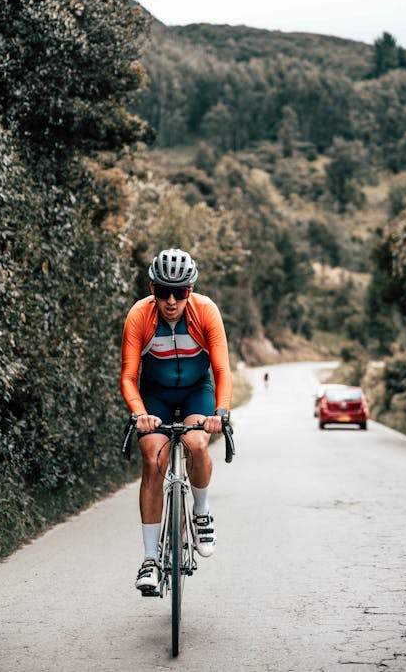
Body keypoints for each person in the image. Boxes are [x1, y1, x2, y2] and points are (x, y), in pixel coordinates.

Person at [120, 248, 232, 594]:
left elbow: (222, 369)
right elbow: (128, 376)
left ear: (191, 289)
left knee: (197, 443)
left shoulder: (206, 312)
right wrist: (139, 414)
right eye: (163, 292)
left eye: (179, 292)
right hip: (155, 395)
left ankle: (201, 512)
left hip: (197, 390)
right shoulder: (139, 315)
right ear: (152, 289)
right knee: (154, 459)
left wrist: (221, 413)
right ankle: (150, 560)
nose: (171, 300)